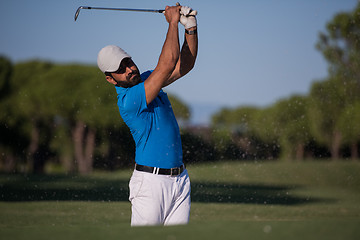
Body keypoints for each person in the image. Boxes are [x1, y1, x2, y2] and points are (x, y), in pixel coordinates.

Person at [97, 5, 198, 226]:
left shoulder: (148, 80)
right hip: (151, 183)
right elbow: (167, 64)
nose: (129, 70)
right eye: (120, 69)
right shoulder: (129, 100)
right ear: (110, 79)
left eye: (128, 62)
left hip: (179, 180)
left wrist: (190, 27)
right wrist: (172, 22)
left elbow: (185, 64)